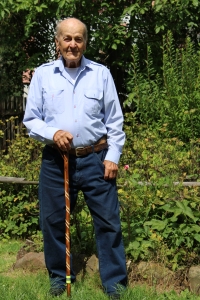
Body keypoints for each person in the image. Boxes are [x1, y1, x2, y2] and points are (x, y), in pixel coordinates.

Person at [23, 17, 127, 299]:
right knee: (53, 221)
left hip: (96, 158)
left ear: (85, 42)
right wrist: (52, 132)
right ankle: (59, 278)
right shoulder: (43, 75)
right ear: (57, 43)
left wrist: (113, 156)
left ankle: (115, 285)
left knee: (108, 222)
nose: (72, 44)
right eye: (67, 39)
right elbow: (31, 120)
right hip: (56, 161)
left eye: (78, 39)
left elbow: (115, 121)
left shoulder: (101, 73)